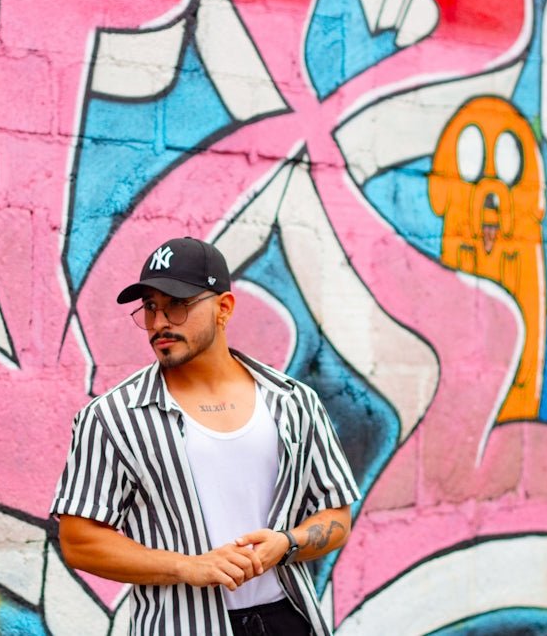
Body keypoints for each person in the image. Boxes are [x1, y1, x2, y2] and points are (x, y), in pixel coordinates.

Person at [52, 236, 359, 636]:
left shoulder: (293, 402)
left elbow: (336, 515)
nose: (160, 322)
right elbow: (79, 542)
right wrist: (187, 566)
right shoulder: (111, 418)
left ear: (224, 308)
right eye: (149, 307)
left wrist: (286, 542)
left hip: (290, 620)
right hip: (183, 626)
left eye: (177, 305)